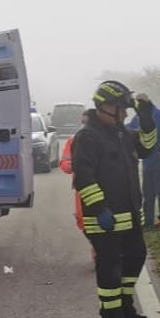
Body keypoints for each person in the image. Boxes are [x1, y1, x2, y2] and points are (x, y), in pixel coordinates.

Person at [72, 81, 157, 318]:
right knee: (109, 264)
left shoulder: (122, 134)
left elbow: (147, 148)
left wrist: (147, 119)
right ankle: (110, 314)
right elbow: (84, 177)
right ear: (105, 106)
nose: (124, 114)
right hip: (103, 216)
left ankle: (124, 303)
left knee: (136, 255)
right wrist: (99, 208)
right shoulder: (87, 137)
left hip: (128, 214)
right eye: (122, 109)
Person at [127, 100, 160, 229]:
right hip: (149, 160)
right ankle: (150, 220)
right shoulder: (141, 117)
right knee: (149, 192)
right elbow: (128, 130)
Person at [60, 111, 94, 262]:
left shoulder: (105, 138)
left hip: (105, 186)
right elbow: (65, 163)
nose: (85, 125)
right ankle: (97, 248)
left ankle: (99, 252)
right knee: (83, 221)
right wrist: (75, 166)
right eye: (83, 122)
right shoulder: (74, 140)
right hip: (81, 187)